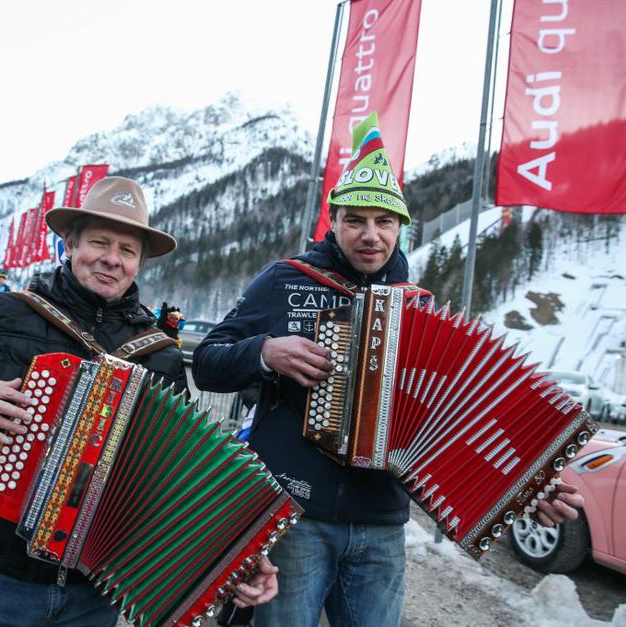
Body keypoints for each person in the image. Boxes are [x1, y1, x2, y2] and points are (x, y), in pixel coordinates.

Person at [192, 113, 583, 627]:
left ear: (401, 228)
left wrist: (528, 484)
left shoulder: (419, 308)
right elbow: (207, 363)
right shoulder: (285, 280)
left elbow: (459, 419)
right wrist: (264, 352)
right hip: (294, 515)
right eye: (355, 220)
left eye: (385, 222)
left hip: (381, 525)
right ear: (334, 221)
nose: (370, 235)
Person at [0, 176, 278, 626]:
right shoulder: (8, 312)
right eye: (99, 242)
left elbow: (179, 477)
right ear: (71, 244)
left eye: (127, 250)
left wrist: (238, 555)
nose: (112, 258)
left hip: (96, 587)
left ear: (139, 263)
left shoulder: (160, 354)